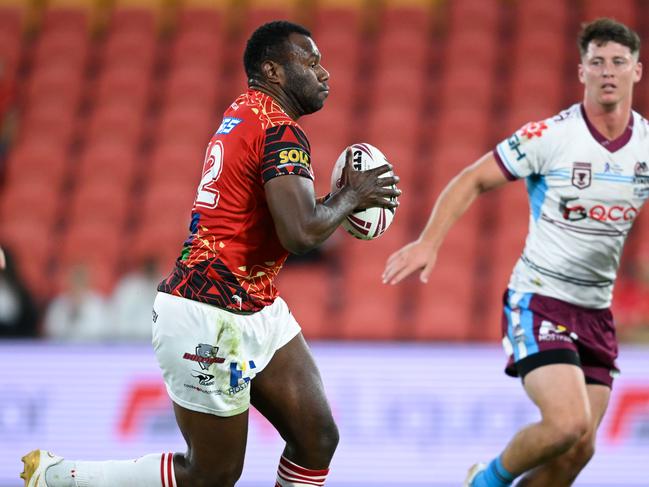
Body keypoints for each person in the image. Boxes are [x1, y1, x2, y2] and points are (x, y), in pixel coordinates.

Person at [21, 21, 400, 487]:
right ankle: (62, 478)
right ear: (273, 70)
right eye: (311, 61)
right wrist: (351, 196)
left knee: (317, 437)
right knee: (212, 473)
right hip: (210, 315)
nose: (325, 73)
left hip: (253, 303)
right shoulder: (279, 131)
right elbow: (301, 234)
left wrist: (334, 204)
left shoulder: (243, 111)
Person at [383, 17, 645, 487]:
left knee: (578, 448)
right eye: (598, 62)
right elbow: (473, 178)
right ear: (581, 71)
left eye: (619, 62)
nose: (609, 71)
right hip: (540, 299)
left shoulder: (645, 145)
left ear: (637, 72)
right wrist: (430, 241)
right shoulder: (550, 136)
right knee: (565, 422)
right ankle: (484, 482)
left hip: (597, 311)